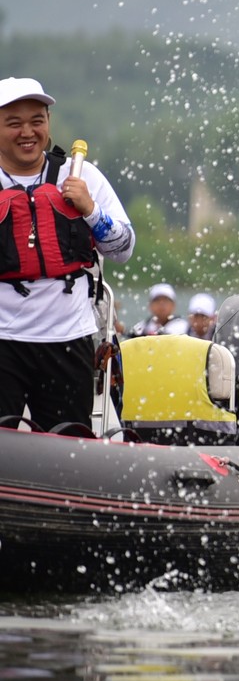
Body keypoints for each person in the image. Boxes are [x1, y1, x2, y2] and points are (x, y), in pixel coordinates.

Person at [0, 78, 134, 432]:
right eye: (14, 123)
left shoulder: (81, 175)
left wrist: (91, 211)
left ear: (48, 122)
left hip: (67, 338)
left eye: (37, 120)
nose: (27, 132)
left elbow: (123, 249)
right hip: (2, 341)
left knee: (69, 447)